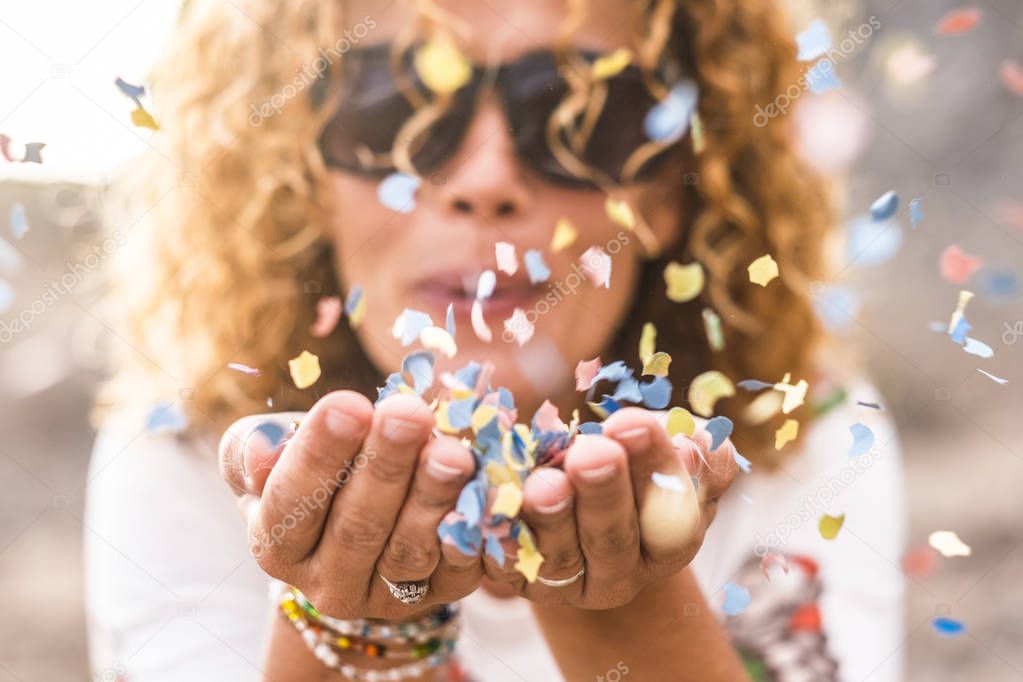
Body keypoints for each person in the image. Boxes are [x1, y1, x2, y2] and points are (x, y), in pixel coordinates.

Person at [85, 1, 907, 680]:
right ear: (301, 171)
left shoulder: (799, 430)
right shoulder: (181, 447)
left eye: (579, 116)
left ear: (669, 191)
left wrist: (625, 603)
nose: (485, 182)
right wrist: (358, 636)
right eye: (393, 106)